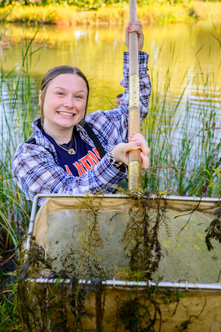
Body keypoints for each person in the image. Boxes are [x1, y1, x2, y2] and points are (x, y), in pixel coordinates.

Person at [13, 21, 151, 206]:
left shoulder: (95, 126)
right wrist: (113, 160)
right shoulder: (28, 155)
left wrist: (135, 55)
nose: (69, 104)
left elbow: (132, 111)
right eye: (60, 94)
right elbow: (66, 198)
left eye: (78, 97)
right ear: (41, 97)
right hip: (64, 234)